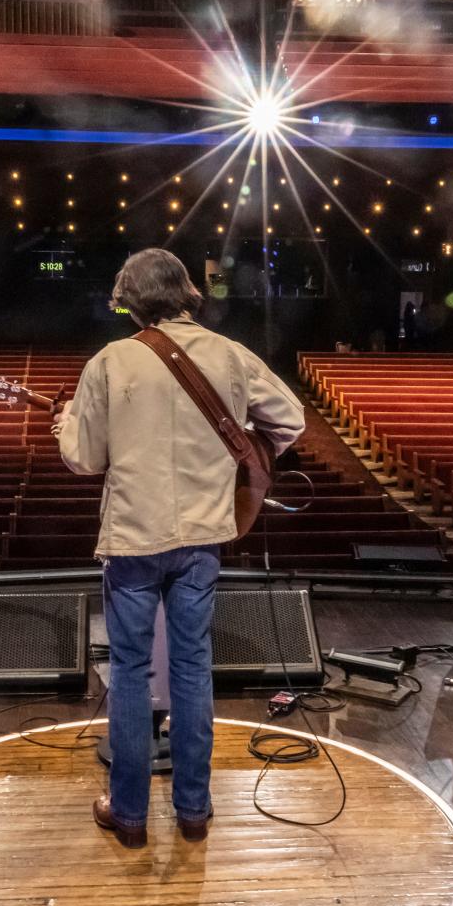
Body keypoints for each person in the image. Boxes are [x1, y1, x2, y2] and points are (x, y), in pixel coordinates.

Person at [54, 247, 304, 849]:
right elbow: (290, 420)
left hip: (134, 541)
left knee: (132, 675)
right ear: (186, 293)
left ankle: (131, 815)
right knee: (193, 671)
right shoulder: (230, 355)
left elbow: (83, 458)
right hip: (203, 540)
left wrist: (66, 421)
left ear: (131, 300)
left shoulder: (111, 362)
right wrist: (234, 450)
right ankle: (194, 811)